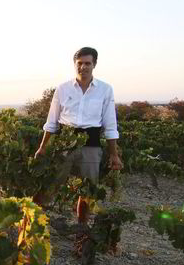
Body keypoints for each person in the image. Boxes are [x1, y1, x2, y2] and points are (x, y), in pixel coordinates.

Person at [34, 47, 123, 253]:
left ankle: (81, 232)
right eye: (80, 63)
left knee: (88, 191)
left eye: (87, 63)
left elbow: (110, 124)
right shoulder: (63, 88)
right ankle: (33, 225)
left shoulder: (105, 90)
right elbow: (51, 122)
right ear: (75, 64)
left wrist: (114, 154)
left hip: (91, 146)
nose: (83, 67)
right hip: (64, 144)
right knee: (48, 186)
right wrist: (42, 148)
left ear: (94, 65)